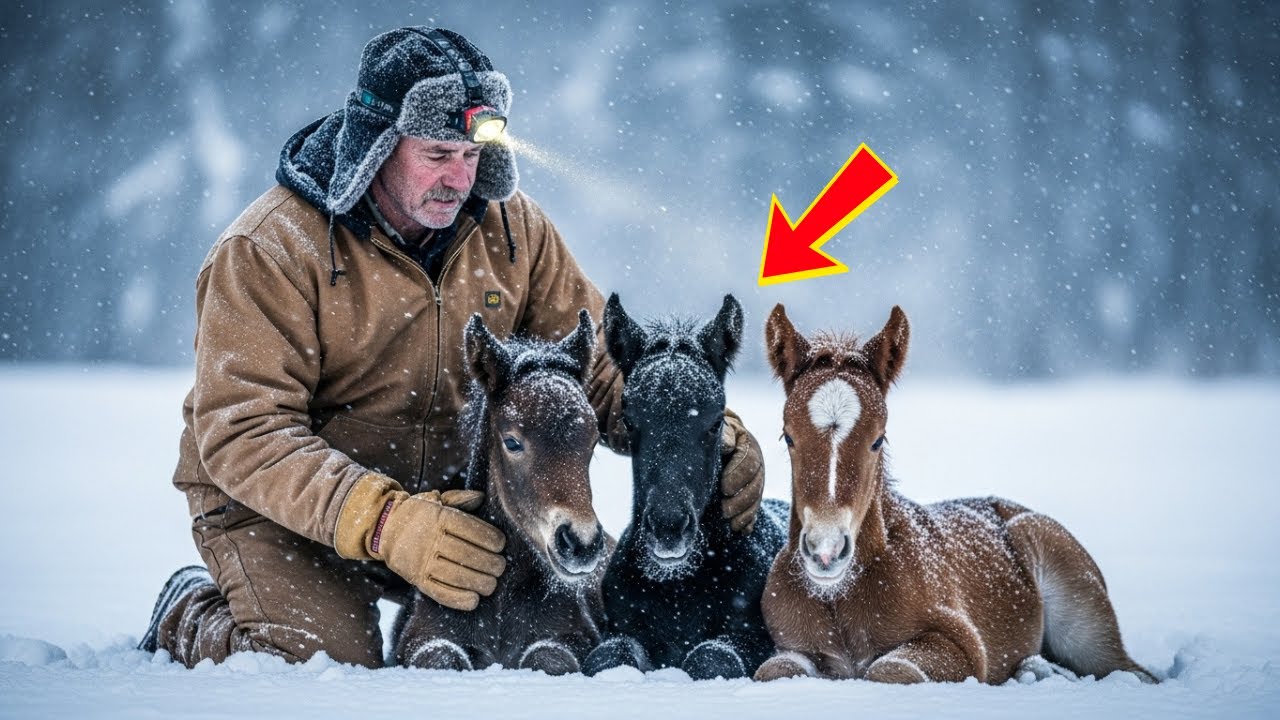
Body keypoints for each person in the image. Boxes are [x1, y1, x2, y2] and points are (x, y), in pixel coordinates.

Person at [138, 26, 766, 669]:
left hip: (467, 508)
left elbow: (603, 370)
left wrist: (710, 438)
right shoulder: (269, 250)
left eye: (470, 155)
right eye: (437, 153)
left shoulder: (514, 229)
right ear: (376, 144)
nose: (458, 178)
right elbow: (244, 431)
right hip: (288, 515)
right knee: (322, 656)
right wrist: (387, 524)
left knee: (611, 612)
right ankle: (193, 612)